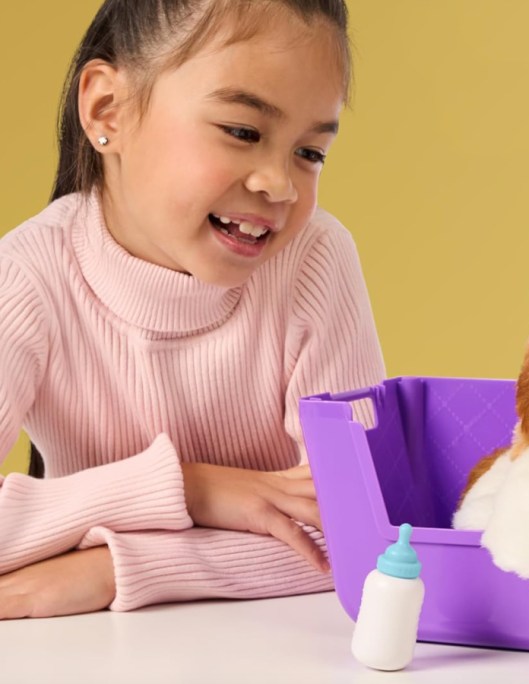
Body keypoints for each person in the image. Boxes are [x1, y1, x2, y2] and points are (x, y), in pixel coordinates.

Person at [0, 0, 385, 619]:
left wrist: (119, 567)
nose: (279, 185)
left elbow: (369, 528)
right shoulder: (26, 277)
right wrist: (192, 489)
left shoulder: (315, 260)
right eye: (243, 132)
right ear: (108, 111)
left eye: (309, 153)